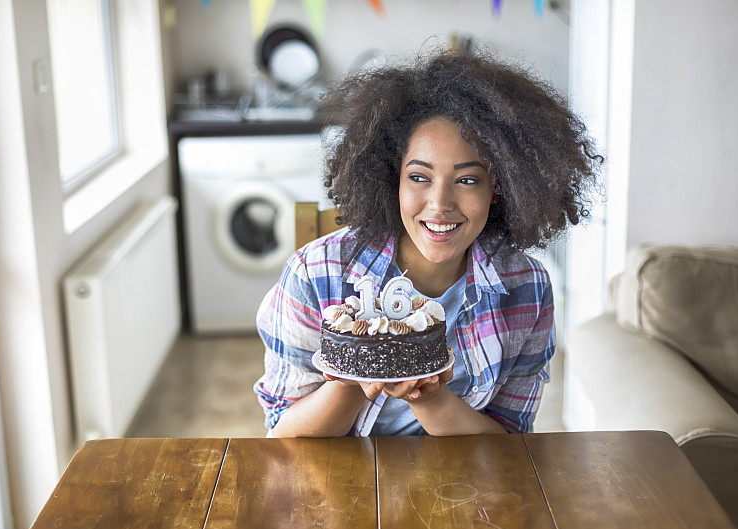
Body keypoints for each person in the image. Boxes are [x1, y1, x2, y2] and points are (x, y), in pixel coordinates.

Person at [253, 47, 602, 437]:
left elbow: (511, 445)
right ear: (392, 179)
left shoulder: (527, 288)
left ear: (499, 188)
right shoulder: (315, 274)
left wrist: (430, 395)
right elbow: (282, 436)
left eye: (467, 180)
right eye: (419, 177)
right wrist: (356, 374)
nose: (440, 205)